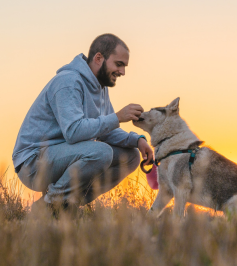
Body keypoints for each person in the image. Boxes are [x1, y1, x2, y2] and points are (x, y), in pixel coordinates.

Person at [12, 34, 153, 210]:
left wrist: (137, 140)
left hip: (64, 156)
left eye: (124, 66)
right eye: (119, 64)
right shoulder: (68, 82)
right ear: (99, 58)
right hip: (33, 163)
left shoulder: (100, 87)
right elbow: (73, 132)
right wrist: (117, 117)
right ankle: (49, 204)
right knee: (101, 152)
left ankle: (67, 206)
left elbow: (105, 130)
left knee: (130, 156)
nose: (122, 72)